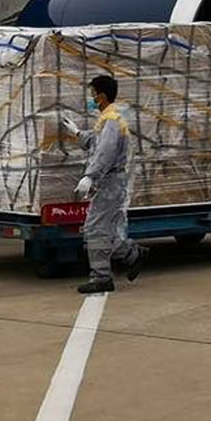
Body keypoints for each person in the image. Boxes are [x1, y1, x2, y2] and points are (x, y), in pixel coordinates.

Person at [71, 74, 148, 294]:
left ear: (102, 96)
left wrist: (90, 176)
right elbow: (96, 142)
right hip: (110, 182)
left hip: (110, 182)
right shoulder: (107, 118)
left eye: (93, 94)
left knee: (95, 229)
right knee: (101, 229)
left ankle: (102, 277)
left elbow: (106, 151)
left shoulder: (113, 120)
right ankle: (132, 254)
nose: (91, 98)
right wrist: (77, 133)